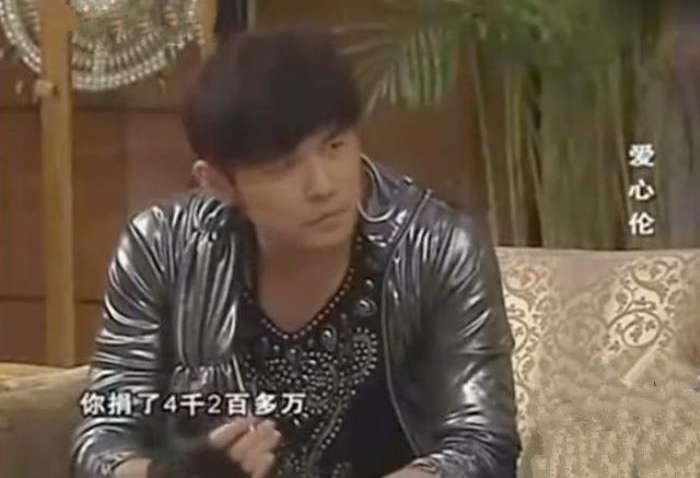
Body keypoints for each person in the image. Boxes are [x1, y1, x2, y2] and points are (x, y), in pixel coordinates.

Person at [70, 25, 521, 478]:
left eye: (334, 147)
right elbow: (102, 437)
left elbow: (482, 445)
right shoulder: (161, 247)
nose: (323, 186)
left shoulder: (439, 247)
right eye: (283, 167)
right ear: (219, 183)